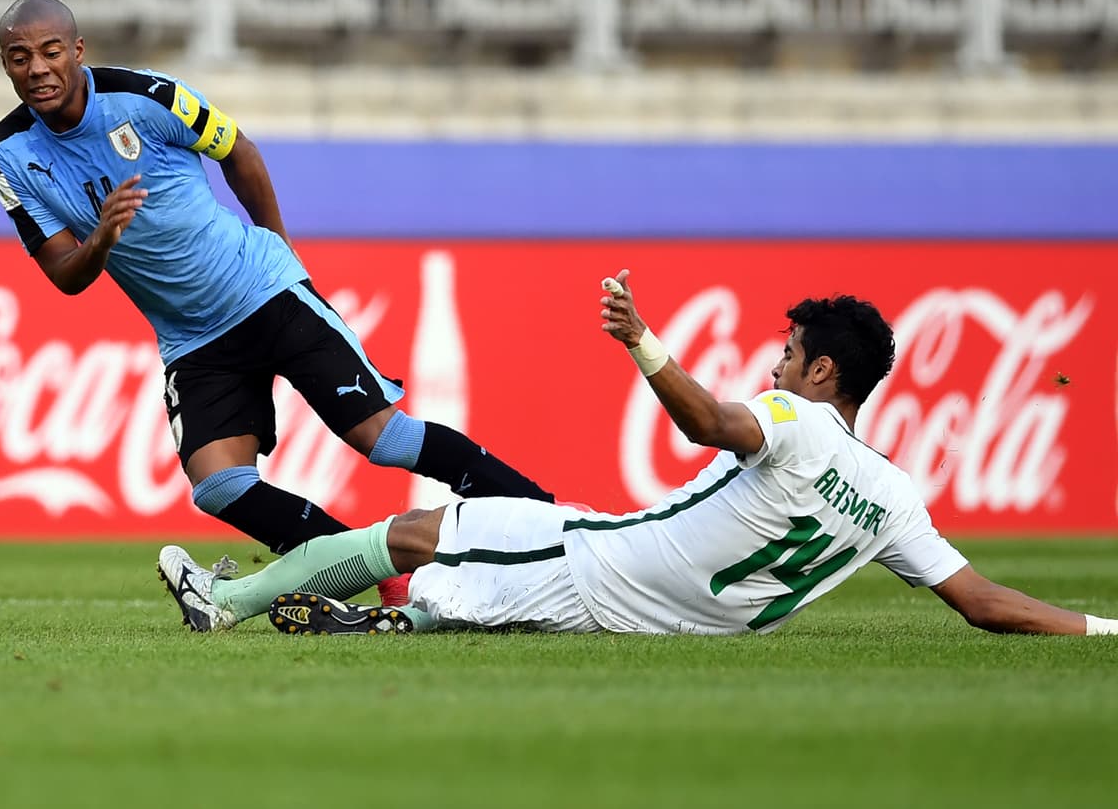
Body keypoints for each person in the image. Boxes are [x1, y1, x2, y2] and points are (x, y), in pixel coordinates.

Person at [156, 269, 1118, 637]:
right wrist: (1103, 631)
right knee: (458, 578)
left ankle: (226, 604)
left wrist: (643, 342)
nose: (772, 365)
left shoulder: (796, 421)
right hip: (680, 617)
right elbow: (983, 604)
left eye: (786, 353)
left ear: (823, 370)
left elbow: (707, 424)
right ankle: (385, 629)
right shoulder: (896, 495)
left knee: (413, 532)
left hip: (606, 559)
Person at [0, 0, 553, 605]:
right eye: (20, 58)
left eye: (49, 52)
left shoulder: (149, 98)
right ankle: (381, 567)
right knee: (219, 485)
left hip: (262, 289)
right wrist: (102, 235)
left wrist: (279, 249)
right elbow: (66, 274)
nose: (37, 69)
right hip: (192, 339)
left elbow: (240, 153)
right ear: (6, 65)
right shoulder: (6, 154)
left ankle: (549, 519)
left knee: (381, 439)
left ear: (77, 51)